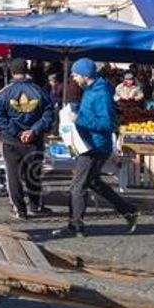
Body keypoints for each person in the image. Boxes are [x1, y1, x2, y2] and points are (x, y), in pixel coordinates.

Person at [54, 59, 139, 238]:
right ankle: (128, 210)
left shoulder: (101, 94)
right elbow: (91, 113)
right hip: (88, 143)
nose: (73, 78)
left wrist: (79, 119)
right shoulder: (91, 90)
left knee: (78, 186)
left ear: (85, 75)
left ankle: (75, 226)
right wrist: (75, 111)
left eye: (76, 75)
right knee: (92, 182)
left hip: (94, 147)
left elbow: (107, 123)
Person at [0, 59, 54, 220]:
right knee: (33, 174)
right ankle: (35, 206)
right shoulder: (40, 91)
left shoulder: (3, 93)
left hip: (11, 140)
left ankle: (20, 209)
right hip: (34, 140)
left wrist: (16, 132)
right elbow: (48, 114)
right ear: (27, 71)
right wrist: (34, 130)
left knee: (13, 175)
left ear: (11, 72)